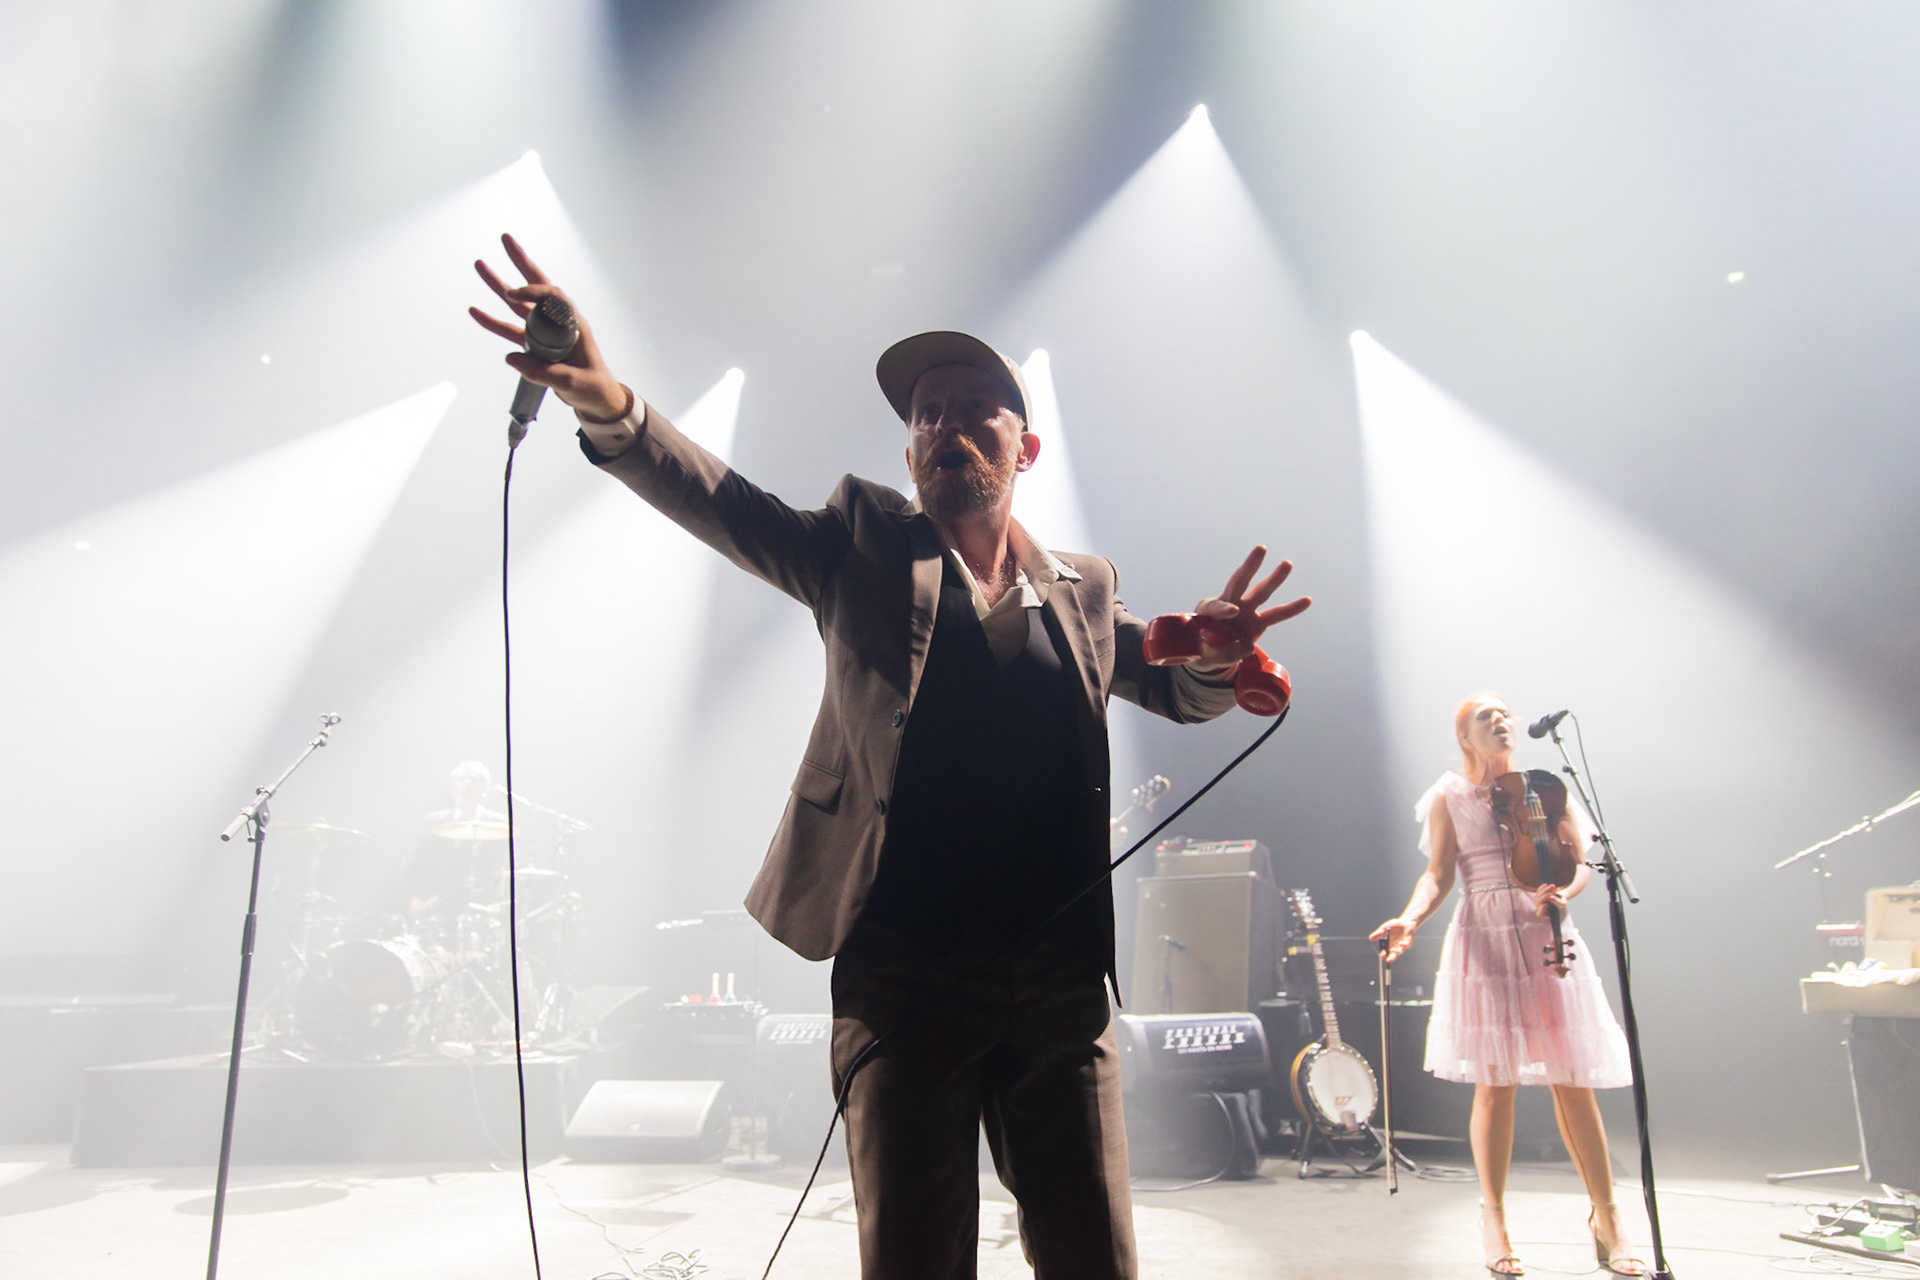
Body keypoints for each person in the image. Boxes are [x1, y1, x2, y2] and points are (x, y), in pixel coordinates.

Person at [470, 234, 1309, 1280]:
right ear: (910, 455)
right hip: (907, 976)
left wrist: (1223, 659)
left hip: (1057, 985)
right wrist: (607, 401)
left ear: (1026, 449)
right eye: (926, 416)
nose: (944, 425)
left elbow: (1176, 690)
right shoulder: (861, 544)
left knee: (1095, 1258)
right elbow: (726, 503)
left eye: (972, 410)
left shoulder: (1083, 586)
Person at [1370, 693, 1644, 1278]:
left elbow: (1579, 866)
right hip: (1485, 934)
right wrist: (1410, 919)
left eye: (1503, 714)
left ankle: (1608, 1218)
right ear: (1465, 737)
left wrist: (1560, 895)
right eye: (1483, 717)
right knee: (1496, 1084)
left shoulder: (1545, 788)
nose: (1499, 721)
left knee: (1573, 1080)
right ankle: (1492, 1218)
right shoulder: (1448, 795)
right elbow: (1438, 874)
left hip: (1545, 930)